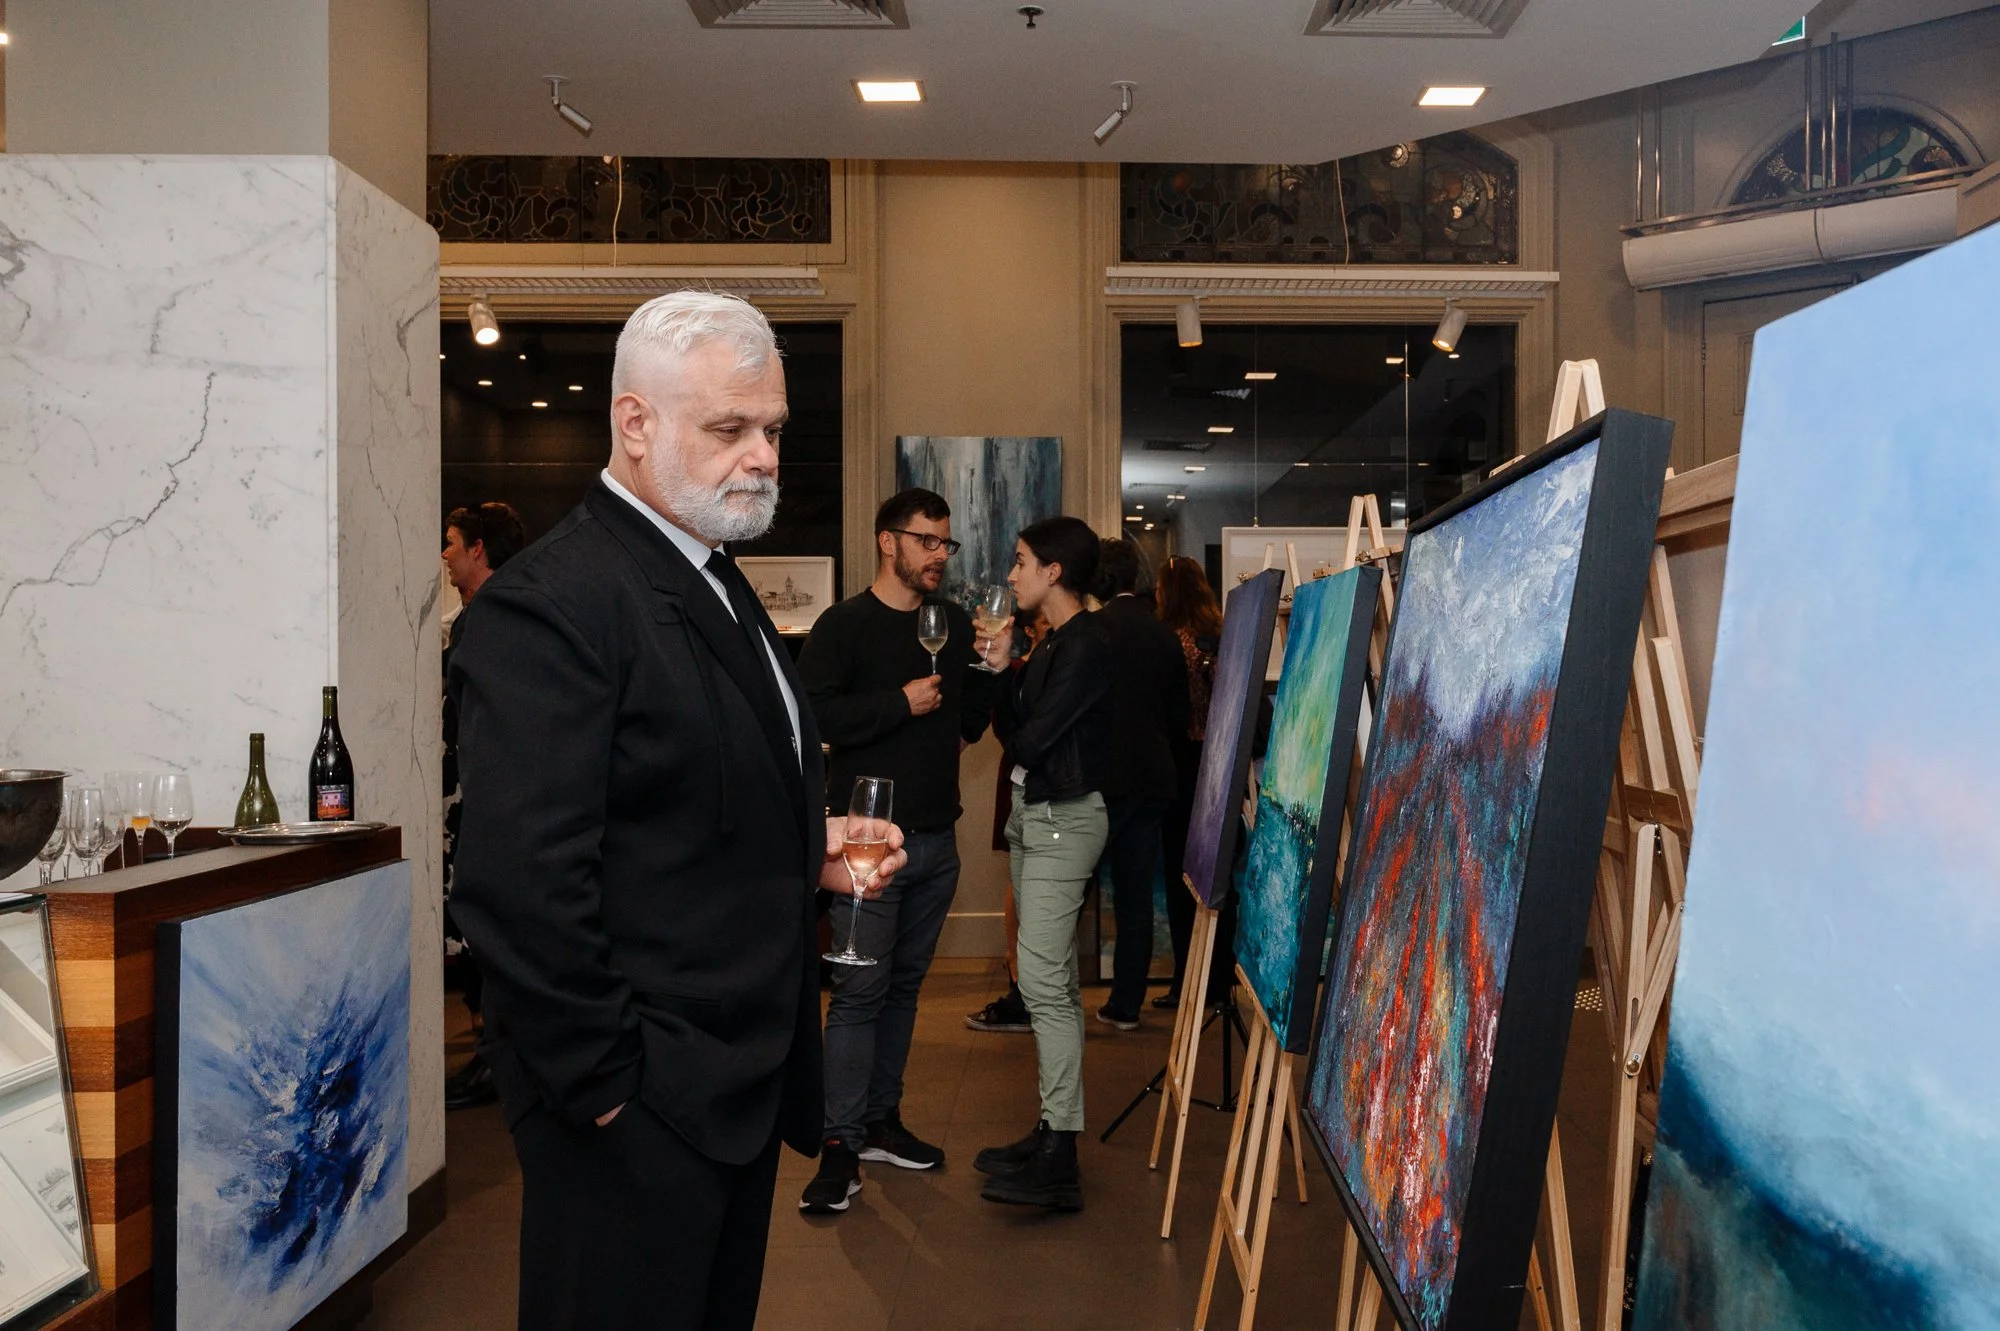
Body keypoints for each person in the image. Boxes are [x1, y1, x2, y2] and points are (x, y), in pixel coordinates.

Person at [450, 291, 909, 1331]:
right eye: (728, 428)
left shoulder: (706, 571)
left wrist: (811, 849)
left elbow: (673, 797)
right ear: (635, 423)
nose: (761, 456)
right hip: (637, 1104)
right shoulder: (552, 603)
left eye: (773, 430)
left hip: (726, 1088)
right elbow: (519, 884)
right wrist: (612, 1086)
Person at [793, 487, 1003, 1213]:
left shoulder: (948, 622)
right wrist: (897, 704)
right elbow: (812, 714)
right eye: (926, 541)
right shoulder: (844, 625)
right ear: (889, 541)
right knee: (857, 992)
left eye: (946, 544)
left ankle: (881, 1120)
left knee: (905, 988)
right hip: (862, 846)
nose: (939, 555)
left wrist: (994, 668)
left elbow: (970, 724)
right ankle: (838, 1145)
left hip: (938, 838)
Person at [973, 517, 1111, 1212]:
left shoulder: (1087, 644)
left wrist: (1006, 681)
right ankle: (1052, 1126)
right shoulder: (1057, 641)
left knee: (1047, 987)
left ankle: (1062, 1151)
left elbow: (1028, 734)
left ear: (1055, 571)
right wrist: (1004, 672)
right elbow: (1021, 731)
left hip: (1063, 820)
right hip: (1039, 813)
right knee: (1042, 980)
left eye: (1023, 561)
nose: (1013, 573)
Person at [438, 501, 526, 1111]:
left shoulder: (495, 618)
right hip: (465, 795)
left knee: (485, 932)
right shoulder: (475, 616)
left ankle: (501, 1063)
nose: (442, 553)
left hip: (483, 799)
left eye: (450, 541)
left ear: (477, 549)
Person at [1089, 539, 1190, 1030]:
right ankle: (1126, 1004)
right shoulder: (1164, 635)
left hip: (1099, 780)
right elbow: (1178, 716)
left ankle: (1048, 998)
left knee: (1066, 894)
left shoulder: (1091, 632)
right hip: (1153, 777)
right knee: (1135, 897)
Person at [963, 607, 1050, 1034]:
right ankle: (1019, 980)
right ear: (1030, 631)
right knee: (1018, 884)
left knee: (1034, 894)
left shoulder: (1062, 666)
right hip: (1019, 782)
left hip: (1050, 794)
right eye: (1047, 627)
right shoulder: (1017, 671)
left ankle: (1028, 989)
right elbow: (1005, 729)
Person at [1154, 556, 1223, 1009]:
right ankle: (1217, 981)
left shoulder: (1169, 643)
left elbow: (1172, 715)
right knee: (1217, 876)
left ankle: (1186, 980)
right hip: (1217, 764)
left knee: (1183, 876)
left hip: (1179, 765)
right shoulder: (1221, 636)